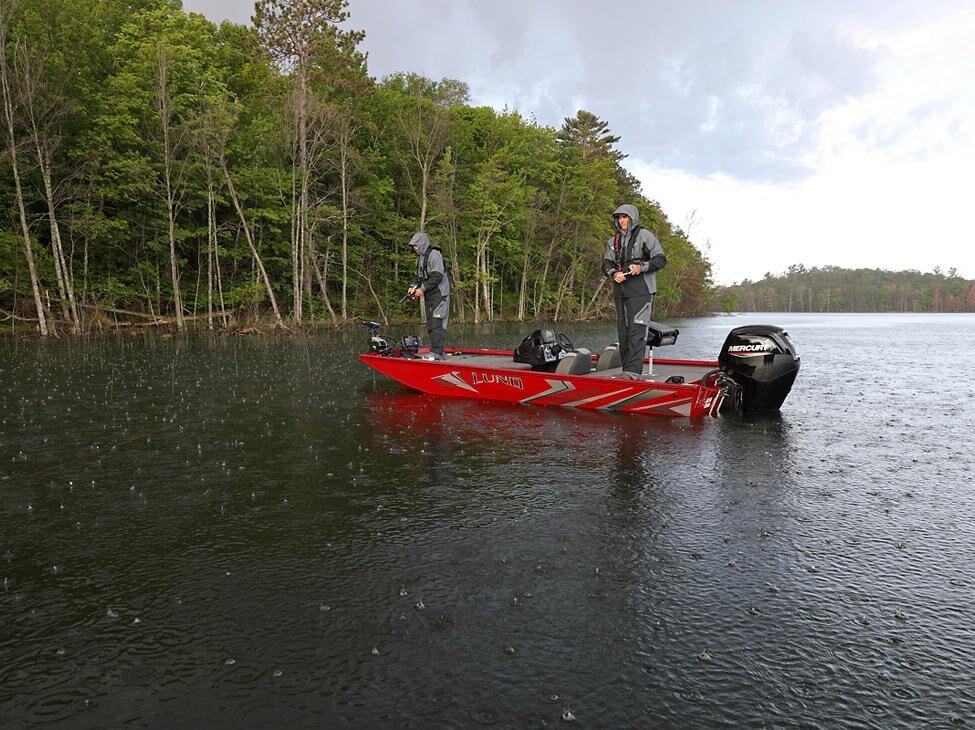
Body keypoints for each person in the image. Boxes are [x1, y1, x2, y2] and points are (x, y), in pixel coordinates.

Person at [602, 204, 667, 375]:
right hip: (621, 291)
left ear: (632, 218)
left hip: (641, 290)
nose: (622, 221)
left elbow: (661, 259)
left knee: (636, 331)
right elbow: (607, 262)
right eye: (619, 218)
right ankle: (627, 371)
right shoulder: (613, 241)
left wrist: (641, 267)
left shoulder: (645, 236)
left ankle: (633, 373)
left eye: (625, 217)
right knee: (623, 332)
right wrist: (613, 273)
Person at [407, 232, 450, 358]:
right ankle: (436, 351)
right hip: (430, 294)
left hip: (440, 294)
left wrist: (422, 289)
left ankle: (438, 353)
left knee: (437, 323)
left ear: (422, 244)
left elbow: (437, 275)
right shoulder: (419, 258)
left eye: (416, 245)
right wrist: (412, 287)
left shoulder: (435, 255)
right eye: (413, 246)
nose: (415, 248)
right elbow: (418, 276)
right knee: (431, 324)